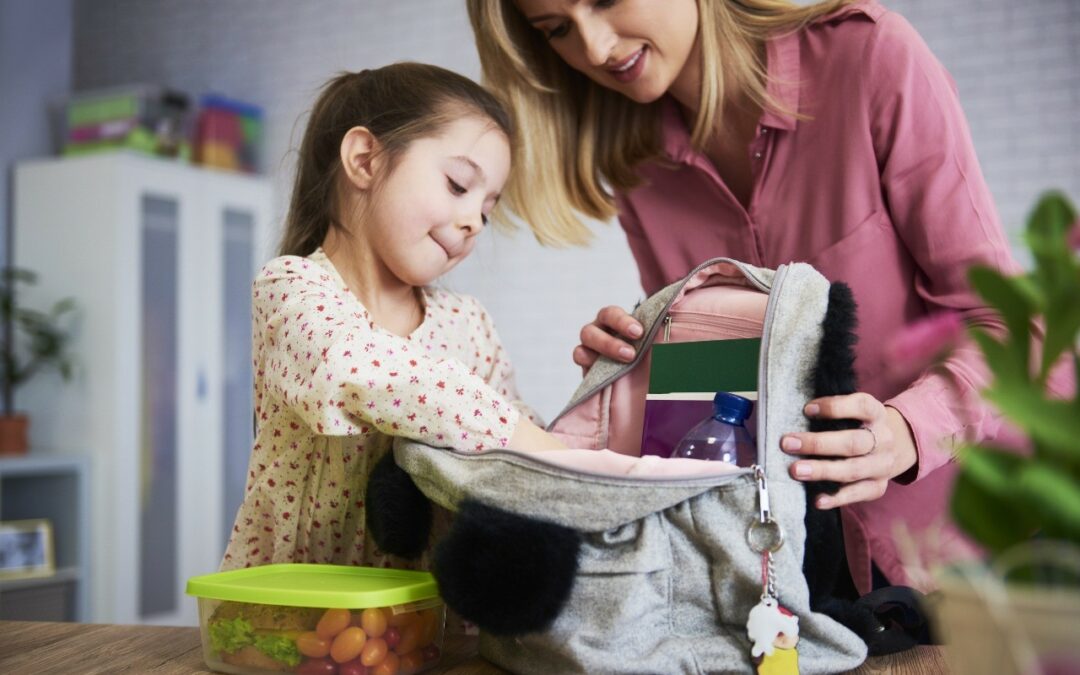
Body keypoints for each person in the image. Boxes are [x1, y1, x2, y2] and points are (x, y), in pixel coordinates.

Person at [466, 0, 1036, 594]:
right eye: (556, 30)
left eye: (605, 0)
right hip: (803, 562)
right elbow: (728, 391)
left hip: (985, 533)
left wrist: (906, 431)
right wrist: (638, 371)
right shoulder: (636, 161)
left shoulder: (867, 56)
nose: (594, 48)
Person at [221, 62, 564, 572]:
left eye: (488, 209)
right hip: (299, 620)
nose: (474, 221)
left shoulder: (469, 323)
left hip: (433, 623)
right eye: (457, 185)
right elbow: (353, 368)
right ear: (365, 160)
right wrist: (520, 435)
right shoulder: (292, 289)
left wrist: (588, 419)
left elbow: (518, 448)